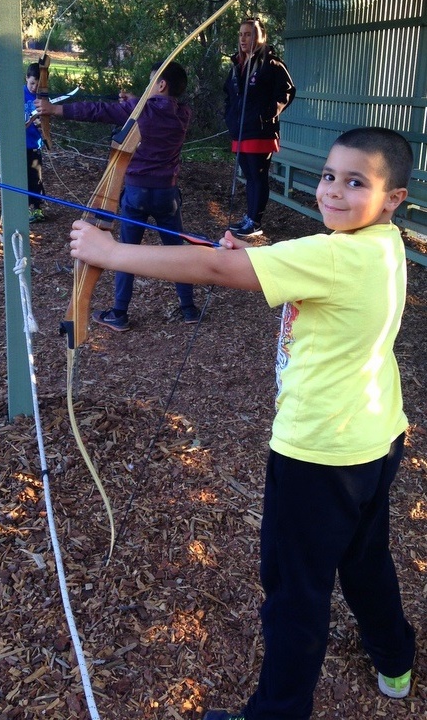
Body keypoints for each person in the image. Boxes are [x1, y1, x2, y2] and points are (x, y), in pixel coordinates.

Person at [68, 127, 416, 718]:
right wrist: (251, 258)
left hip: (319, 455)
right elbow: (284, 274)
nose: (333, 190)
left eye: (357, 182)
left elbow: (217, 271)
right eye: (329, 176)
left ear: (393, 198)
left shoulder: (334, 254)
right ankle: (395, 659)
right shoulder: (380, 246)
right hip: (375, 438)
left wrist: (109, 252)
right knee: (363, 557)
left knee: (293, 593)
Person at [36, 61, 200, 331]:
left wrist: (55, 109)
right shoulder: (183, 114)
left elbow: (99, 111)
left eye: (151, 82)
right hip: (167, 194)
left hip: (136, 193)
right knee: (177, 252)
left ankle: (120, 313)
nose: (147, 87)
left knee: (124, 253)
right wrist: (136, 101)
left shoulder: (140, 111)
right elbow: (157, 110)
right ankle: (189, 308)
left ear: (161, 85)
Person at [224, 17, 296, 238]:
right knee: (248, 175)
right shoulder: (237, 64)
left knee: (258, 176)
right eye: (241, 34)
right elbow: (228, 94)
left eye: (249, 34)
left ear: (261, 37)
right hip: (240, 130)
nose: (243, 38)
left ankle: (255, 221)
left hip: (260, 131)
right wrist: (229, 116)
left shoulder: (272, 64)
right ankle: (249, 217)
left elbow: (287, 92)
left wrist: (266, 115)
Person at [24, 62, 46, 223]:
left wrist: (41, 124)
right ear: (26, 78)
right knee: (22, 177)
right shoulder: (19, 94)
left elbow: (46, 121)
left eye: (37, 85)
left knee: (36, 176)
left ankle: (37, 208)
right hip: (19, 145)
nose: (34, 88)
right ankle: (22, 208)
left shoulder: (42, 98)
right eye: (32, 83)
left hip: (34, 145)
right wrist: (29, 120)